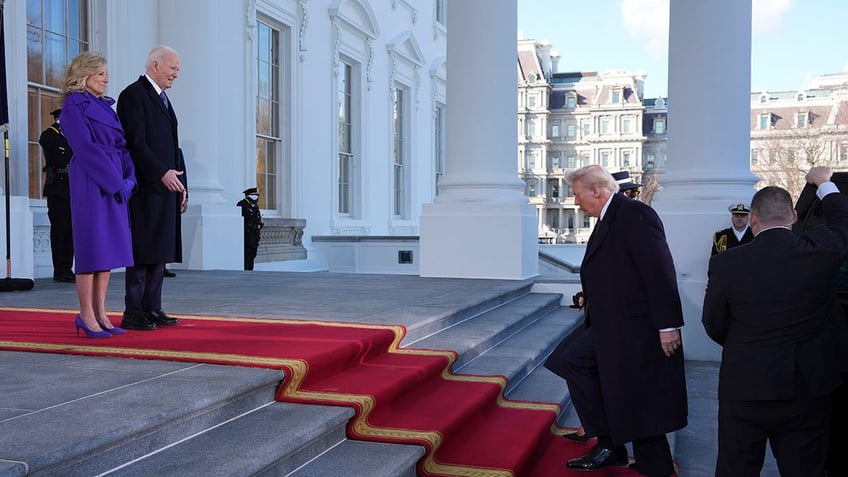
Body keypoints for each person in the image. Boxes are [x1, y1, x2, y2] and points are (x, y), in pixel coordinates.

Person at [702, 166, 848, 477]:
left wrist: (746, 343)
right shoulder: (820, 250)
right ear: (794, 217)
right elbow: (843, 220)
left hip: (745, 384)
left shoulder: (726, 263)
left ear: (752, 220)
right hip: (806, 388)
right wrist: (824, 182)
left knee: (736, 469)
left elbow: (713, 323)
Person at [559, 165, 687, 477]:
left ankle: (622, 450)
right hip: (612, 324)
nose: (576, 202)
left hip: (637, 327)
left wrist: (668, 325)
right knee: (580, 364)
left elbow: (659, 270)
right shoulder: (609, 218)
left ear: (596, 192)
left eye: (577, 195)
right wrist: (588, 296)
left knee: (640, 397)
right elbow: (614, 269)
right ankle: (611, 444)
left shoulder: (634, 214)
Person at [59, 51, 136, 338]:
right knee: (92, 249)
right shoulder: (73, 105)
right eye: (101, 73)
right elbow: (85, 148)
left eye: (106, 73)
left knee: (107, 250)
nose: (106, 78)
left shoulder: (106, 107)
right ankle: (86, 315)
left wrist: (130, 178)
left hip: (115, 176)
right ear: (85, 74)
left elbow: (123, 145)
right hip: (93, 180)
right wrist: (116, 182)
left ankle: (102, 313)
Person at [117, 45, 186, 331]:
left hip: (166, 186)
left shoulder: (163, 99)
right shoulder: (133, 95)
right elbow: (136, 143)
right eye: (173, 68)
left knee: (160, 249)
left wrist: (183, 186)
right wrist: (160, 173)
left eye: (177, 70)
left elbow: (173, 147)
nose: (176, 75)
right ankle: (134, 311)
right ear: (155, 65)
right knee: (142, 250)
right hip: (145, 187)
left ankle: (153, 308)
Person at [39, 108, 75, 283]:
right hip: (58, 190)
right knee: (60, 230)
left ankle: (68, 268)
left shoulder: (72, 137)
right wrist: (58, 126)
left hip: (73, 189)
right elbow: (43, 141)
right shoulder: (52, 134)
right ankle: (59, 269)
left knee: (71, 231)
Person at [236, 187, 264, 271]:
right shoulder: (242, 204)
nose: (257, 198)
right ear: (250, 195)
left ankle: (250, 270)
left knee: (253, 253)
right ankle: (246, 270)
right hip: (247, 234)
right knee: (247, 254)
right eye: (256, 195)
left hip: (254, 233)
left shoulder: (255, 206)